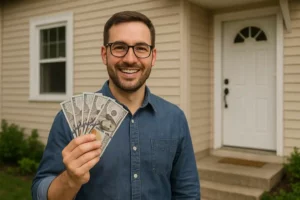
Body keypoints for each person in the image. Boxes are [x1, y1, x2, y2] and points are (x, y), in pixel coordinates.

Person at [32, 11, 200, 200]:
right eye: (119, 47)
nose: (130, 58)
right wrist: (70, 179)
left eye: (141, 48)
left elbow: (188, 193)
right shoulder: (67, 120)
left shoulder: (175, 119)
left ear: (153, 56)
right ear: (105, 54)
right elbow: (40, 193)